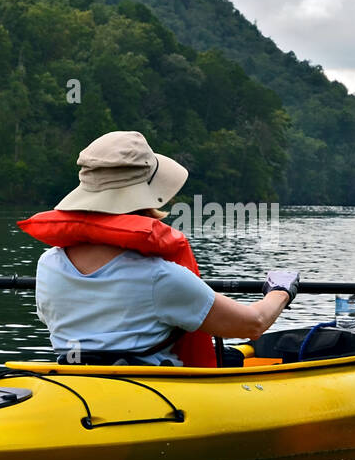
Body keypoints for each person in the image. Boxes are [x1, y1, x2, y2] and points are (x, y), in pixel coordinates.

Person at [18, 131, 298, 366]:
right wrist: (280, 291)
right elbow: (253, 324)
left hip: (75, 388)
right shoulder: (160, 277)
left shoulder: (48, 264)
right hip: (152, 396)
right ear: (148, 196)